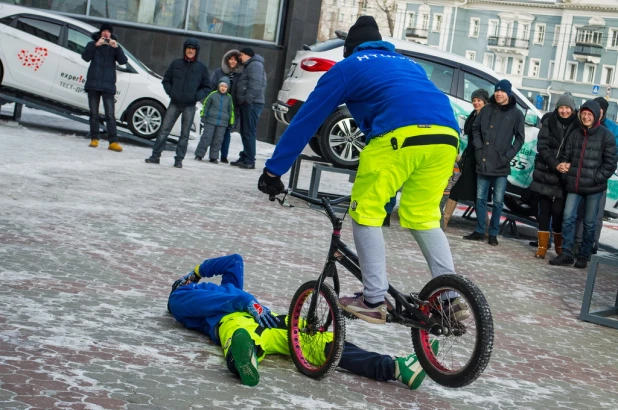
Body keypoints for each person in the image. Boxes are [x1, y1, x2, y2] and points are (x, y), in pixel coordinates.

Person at [257, 16, 465, 324]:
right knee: (423, 216)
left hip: (399, 137)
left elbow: (307, 120)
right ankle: (450, 296)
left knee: (365, 211)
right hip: (446, 140)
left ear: (349, 49)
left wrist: (274, 171)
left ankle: (373, 298)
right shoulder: (408, 65)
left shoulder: (348, 67)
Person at [167, 254, 438, 389]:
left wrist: (198, 270)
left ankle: (395, 369)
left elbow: (233, 262)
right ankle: (242, 362)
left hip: (269, 320)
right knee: (239, 335)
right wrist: (245, 301)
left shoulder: (225, 288)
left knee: (323, 342)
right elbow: (223, 301)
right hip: (234, 322)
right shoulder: (180, 298)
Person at [549, 100, 617, 269]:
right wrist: (567, 173)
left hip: (594, 187)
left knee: (589, 222)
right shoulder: (575, 134)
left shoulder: (606, 135)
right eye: (583, 114)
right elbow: (566, 155)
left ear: (596, 116)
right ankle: (566, 253)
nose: (586, 117)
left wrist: (597, 178)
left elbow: (610, 162)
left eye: (589, 114)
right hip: (575, 185)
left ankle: (583, 255)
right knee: (568, 218)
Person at [463, 80, 525, 246]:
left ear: (508, 93)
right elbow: (475, 129)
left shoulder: (516, 114)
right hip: (483, 160)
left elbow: (520, 139)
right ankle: (479, 230)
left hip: (501, 164)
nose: (499, 94)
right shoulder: (487, 109)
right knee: (480, 198)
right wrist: (478, 148)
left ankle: (493, 234)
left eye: (502, 91)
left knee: (498, 201)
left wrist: (507, 156)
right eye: (497, 91)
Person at [145, 38, 210, 169]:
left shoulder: (201, 68)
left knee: (185, 134)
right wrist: (171, 93)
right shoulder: (176, 64)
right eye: (188, 48)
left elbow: (206, 87)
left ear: (196, 51)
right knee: (164, 130)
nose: (190, 51)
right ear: (185, 49)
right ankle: (155, 156)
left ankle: (179, 160)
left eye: (193, 49)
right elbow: (166, 80)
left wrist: (195, 97)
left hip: (189, 105)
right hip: (174, 103)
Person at [528, 93, 578, 259]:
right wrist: (555, 163)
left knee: (558, 212)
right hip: (546, 171)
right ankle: (542, 246)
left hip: (564, 176)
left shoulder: (578, 125)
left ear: (573, 109)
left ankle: (558, 246)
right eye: (561, 107)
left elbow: (577, 150)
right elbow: (542, 146)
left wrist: (566, 165)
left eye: (567, 108)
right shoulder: (549, 120)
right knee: (544, 210)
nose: (564, 111)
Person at [572, 96, 618, 256]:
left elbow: (612, 157)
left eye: (597, 109)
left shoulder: (611, 130)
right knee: (577, 214)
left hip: (597, 181)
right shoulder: (582, 125)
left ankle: (591, 244)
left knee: (595, 216)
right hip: (580, 178)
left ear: (603, 111)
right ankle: (576, 243)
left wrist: (599, 177)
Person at [443, 89, 490, 230]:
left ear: (485, 101)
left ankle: (444, 222)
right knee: (475, 193)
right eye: (474, 100)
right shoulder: (474, 114)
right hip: (469, 158)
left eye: (479, 100)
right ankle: (485, 228)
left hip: (478, 160)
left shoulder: (487, 116)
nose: (476, 103)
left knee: (468, 192)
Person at [81, 23, 127, 152]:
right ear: (100, 33)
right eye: (104, 31)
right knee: (93, 113)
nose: (106, 34)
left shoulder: (114, 46)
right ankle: (94, 138)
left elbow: (123, 61)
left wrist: (116, 47)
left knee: (110, 115)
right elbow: (85, 57)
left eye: (108, 32)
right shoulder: (92, 44)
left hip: (108, 85)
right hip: (93, 84)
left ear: (111, 34)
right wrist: (96, 46)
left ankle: (113, 142)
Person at [230, 47, 267, 170]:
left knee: (249, 132)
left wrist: (247, 99)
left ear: (247, 55)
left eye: (241, 55)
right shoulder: (252, 65)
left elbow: (256, 85)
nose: (240, 58)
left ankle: (250, 160)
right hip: (250, 103)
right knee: (245, 131)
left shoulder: (255, 65)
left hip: (252, 104)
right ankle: (245, 156)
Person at [210, 50, 244, 163]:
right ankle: (212, 154)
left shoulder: (241, 75)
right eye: (231, 59)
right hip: (217, 108)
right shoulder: (218, 72)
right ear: (226, 60)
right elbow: (211, 87)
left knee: (226, 133)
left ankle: (224, 155)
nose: (233, 61)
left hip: (231, 109)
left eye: (235, 59)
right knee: (214, 132)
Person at [194, 77, 235, 163]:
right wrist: (203, 116)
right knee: (206, 138)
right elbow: (206, 106)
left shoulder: (229, 98)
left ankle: (213, 157)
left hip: (222, 124)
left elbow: (231, 111)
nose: (223, 88)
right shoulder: (213, 95)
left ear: (228, 88)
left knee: (218, 140)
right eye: (222, 86)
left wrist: (231, 122)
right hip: (210, 121)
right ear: (218, 86)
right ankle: (199, 154)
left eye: (225, 87)